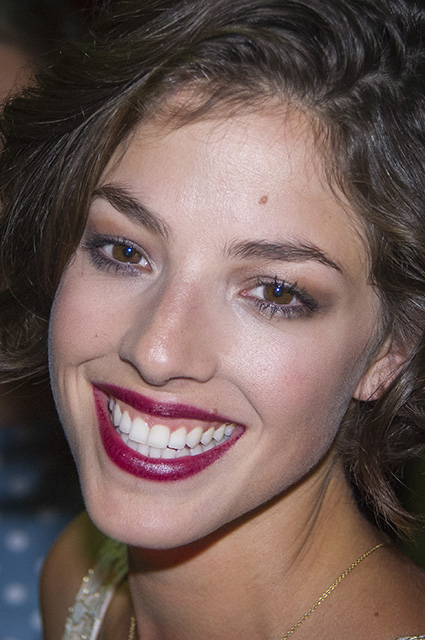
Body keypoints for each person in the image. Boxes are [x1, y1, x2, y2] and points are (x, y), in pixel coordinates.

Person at [0, 0, 425, 638]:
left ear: (391, 348)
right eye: (124, 251)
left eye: (275, 292)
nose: (158, 349)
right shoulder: (82, 583)